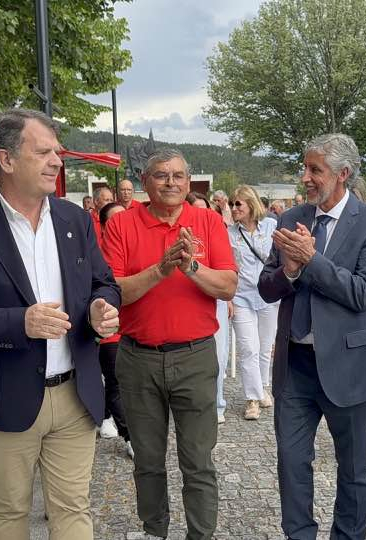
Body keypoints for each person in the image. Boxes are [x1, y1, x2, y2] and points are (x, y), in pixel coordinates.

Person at [0, 108, 120, 539]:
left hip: (76, 393)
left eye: (58, 151)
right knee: (10, 513)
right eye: (45, 151)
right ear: (7, 159)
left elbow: (103, 284)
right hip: (5, 395)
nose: (57, 161)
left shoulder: (74, 219)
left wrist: (99, 309)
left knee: (73, 509)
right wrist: (21, 322)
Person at [258, 133, 366, 539]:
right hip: (296, 365)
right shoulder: (289, 219)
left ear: (343, 174)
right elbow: (267, 287)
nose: (305, 178)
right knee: (292, 463)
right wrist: (292, 271)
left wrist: (310, 260)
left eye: (315, 170)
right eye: (305, 168)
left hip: (351, 366)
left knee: (353, 469)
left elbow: (362, 293)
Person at [102, 148, 237, 539]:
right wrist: (161, 269)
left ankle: (200, 534)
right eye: (162, 175)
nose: (171, 182)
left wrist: (190, 266)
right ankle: (154, 530)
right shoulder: (122, 226)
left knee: (198, 460)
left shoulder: (208, 222)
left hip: (195, 357)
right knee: (147, 459)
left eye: (179, 175)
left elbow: (228, 286)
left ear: (189, 180)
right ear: (145, 183)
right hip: (138, 358)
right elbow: (115, 292)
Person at [228, 185, 279, 421]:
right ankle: (252, 398)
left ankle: (263, 387)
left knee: (265, 348)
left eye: (238, 203)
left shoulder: (271, 226)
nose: (234, 208)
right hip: (241, 296)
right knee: (248, 348)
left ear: (251, 204)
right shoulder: (230, 233)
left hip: (269, 294)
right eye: (231, 204)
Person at [189, 191, 232, 424]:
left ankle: (217, 402)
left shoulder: (215, 229)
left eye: (205, 208)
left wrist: (229, 300)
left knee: (220, 352)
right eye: (196, 208)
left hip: (216, 299)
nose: (202, 214)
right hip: (192, 302)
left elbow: (227, 271)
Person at [95, 201, 133, 456]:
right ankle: (130, 437)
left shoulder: (136, 246)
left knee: (116, 382)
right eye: (114, 220)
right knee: (117, 381)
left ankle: (105, 414)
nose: (121, 224)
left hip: (131, 330)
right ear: (105, 226)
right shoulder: (95, 252)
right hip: (108, 333)